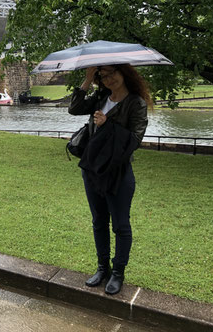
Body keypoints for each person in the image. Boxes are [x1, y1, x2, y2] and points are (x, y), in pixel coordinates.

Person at [68, 64, 150, 295]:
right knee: (99, 221)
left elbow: (135, 140)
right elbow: (74, 109)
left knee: (121, 226)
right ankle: (102, 268)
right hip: (93, 169)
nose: (108, 78)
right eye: (102, 75)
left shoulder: (136, 104)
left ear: (124, 72)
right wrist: (86, 80)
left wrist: (108, 124)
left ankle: (117, 273)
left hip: (118, 173)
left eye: (112, 72)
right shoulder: (101, 96)